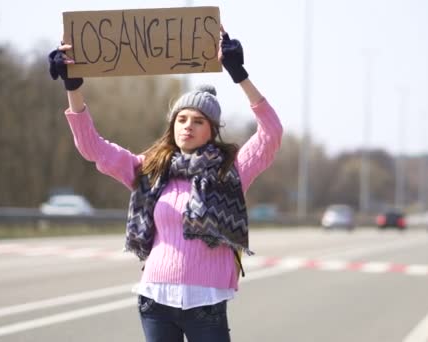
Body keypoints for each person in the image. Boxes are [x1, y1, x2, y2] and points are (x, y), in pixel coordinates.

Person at [48, 26, 282, 342]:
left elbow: (271, 133)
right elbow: (92, 146)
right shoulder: (150, 168)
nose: (188, 126)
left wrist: (239, 74)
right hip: (155, 299)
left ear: (211, 130)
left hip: (206, 303)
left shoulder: (232, 169)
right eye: (181, 119)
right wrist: (72, 86)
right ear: (172, 125)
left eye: (198, 121)